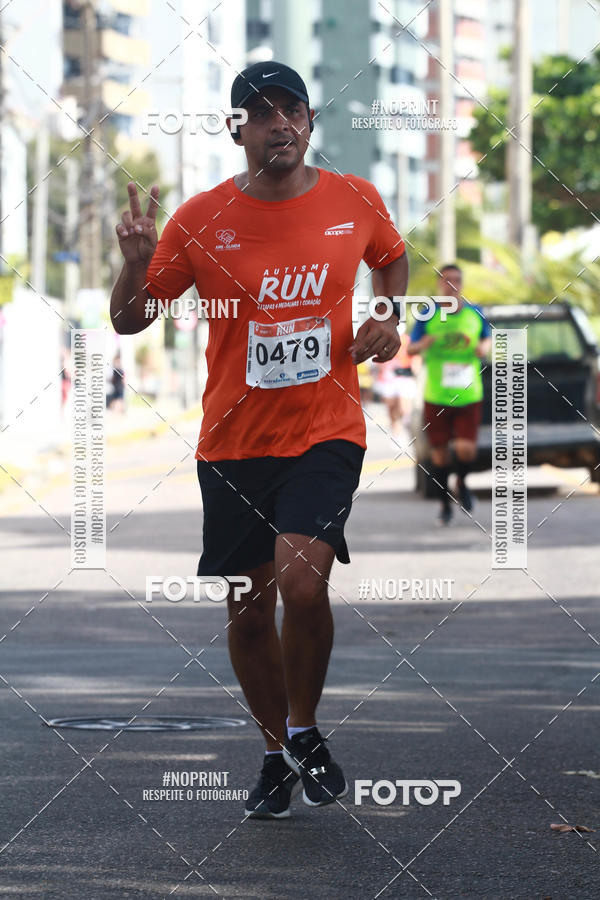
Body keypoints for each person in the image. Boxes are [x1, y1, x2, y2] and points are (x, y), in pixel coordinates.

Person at [110, 61, 408, 819]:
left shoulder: (355, 199)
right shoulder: (200, 218)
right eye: (262, 112)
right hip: (234, 441)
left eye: (293, 111)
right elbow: (131, 320)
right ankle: (275, 752)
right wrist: (133, 263)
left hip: (326, 430)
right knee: (248, 608)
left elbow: (392, 257)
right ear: (236, 127)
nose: (280, 123)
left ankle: (304, 727)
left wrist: (390, 316)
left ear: (310, 121)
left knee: (303, 585)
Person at [407, 264, 491, 525]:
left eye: (456, 279)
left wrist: (482, 348)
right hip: (437, 394)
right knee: (440, 454)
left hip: (468, 394)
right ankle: (444, 503)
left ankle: (462, 483)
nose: (452, 284)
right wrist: (424, 344)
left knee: (466, 450)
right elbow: (410, 349)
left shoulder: (475, 313)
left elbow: (486, 339)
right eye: (446, 280)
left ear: (462, 283)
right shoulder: (427, 314)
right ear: (439, 284)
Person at [373, 325, 416, 435]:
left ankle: (405, 428)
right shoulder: (384, 340)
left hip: (404, 377)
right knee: (391, 407)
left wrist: (415, 369)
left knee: (404, 408)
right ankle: (396, 432)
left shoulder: (407, 340)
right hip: (389, 378)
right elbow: (379, 359)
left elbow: (415, 356)